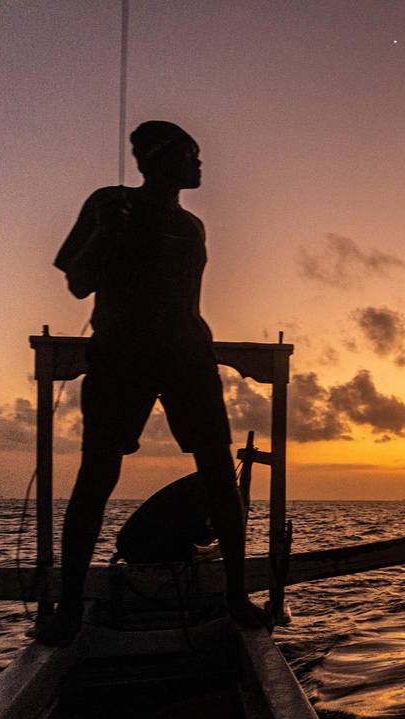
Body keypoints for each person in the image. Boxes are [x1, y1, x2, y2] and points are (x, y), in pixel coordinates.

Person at [37, 120, 265, 645]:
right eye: (191, 154)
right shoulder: (108, 202)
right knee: (97, 476)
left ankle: (235, 596)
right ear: (160, 159)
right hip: (121, 357)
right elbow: (77, 282)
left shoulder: (192, 226)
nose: (200, 164)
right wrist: (104, 233)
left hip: (188, 355)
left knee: (218, 475)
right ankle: (69, 607)